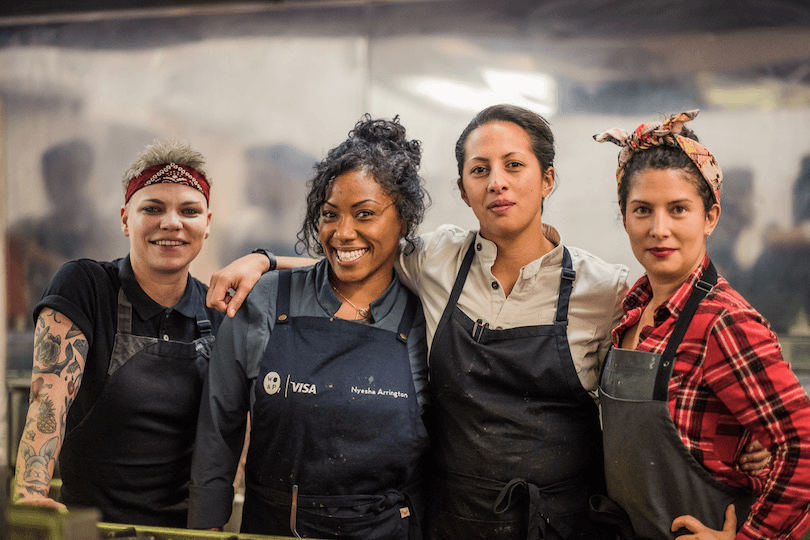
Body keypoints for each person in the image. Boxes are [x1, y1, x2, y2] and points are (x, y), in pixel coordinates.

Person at [207, 105, 769, 540]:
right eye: (480, 170)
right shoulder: (437, 259)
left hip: (563, 525)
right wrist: (266, 261)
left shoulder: (606, 290)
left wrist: (744, 449)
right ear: (463, 190)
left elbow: (668, 385)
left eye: (514, 166)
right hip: (453, 521)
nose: (497, 182)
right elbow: (359, 250)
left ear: (547, 179)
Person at [187, 115, 431, 539]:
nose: (343, 233)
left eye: (365, 214)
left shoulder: (425, 318)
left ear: (404, 221)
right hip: (272, 531)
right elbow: (218, 430)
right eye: (330, 214)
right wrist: (206, 526)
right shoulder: (265, 301)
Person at [594, 110, 810, 539]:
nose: (659, 229)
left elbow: (803, 446)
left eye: (678, 209)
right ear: (624, 217)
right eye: (642, 210)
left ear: (710, 217)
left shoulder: (723, 322)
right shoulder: (630, 311)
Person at [12, 139, 224, 528]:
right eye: (153, 208)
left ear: (207, 224)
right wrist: (30, 492)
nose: (171, 223)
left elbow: (230, 433)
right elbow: (48, 400)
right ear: (126, 219)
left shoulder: (218, 310)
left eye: (189, 210)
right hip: (93, 529)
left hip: (184, 534)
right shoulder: (85, 285)